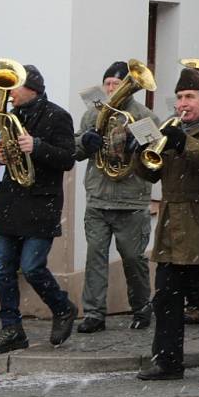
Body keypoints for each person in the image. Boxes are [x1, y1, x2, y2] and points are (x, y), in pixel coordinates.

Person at [135, 67, 199, 381]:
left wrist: (184, 144)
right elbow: (151, 174)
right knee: (166, 298)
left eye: (190, 96)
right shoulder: (170, 128)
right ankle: (167, 361)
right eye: (179, 97)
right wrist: (141, 152)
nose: (183, 103)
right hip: (171, 230)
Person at [0, 65, 77, 354]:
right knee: (2, 269)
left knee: (33, 267)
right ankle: (11, 329)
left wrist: (36, 146)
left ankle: (62, 307)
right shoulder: (10, 117)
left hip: (41, 202)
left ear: (32, 88)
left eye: (13, 87)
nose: (8, 93)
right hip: (10, 202)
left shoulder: (58, 115)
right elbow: (4, 155)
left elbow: (68, 158)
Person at [75, 61, 158, 333]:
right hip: (98, 199)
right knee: (95, 258)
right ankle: (94, 313)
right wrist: (84, 143)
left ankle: (142, 307)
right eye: (108, 83)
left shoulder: (145, 116)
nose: (111, 88)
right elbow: (75, 149)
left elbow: (155, 158)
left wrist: (140, 146)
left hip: (131, 201)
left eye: (116, 83)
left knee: (134, 260)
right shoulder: (92, 114)